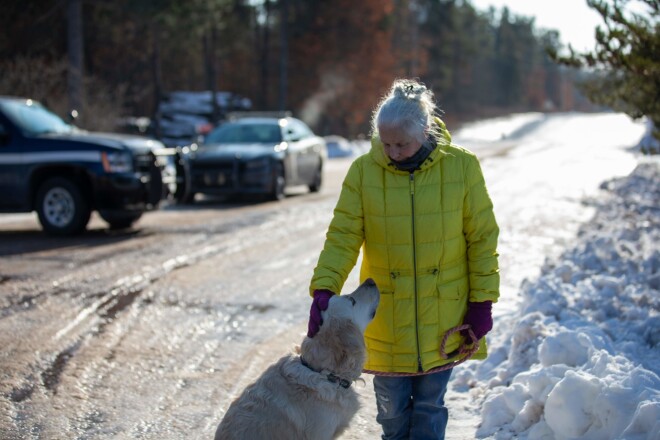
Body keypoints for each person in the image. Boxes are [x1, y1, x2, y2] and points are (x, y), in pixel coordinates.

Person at [307, 78, 499, 439]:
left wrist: (482, 303)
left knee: (429, 409)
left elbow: (482, 239)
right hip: (387, 320)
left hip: (443, 317)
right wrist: (324, 288)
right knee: (392, 416)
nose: (392, 151)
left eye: (401, 143)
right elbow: (343, 237)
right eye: (386, 142)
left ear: (425, 131)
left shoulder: (462, 168)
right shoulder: (364, 172)